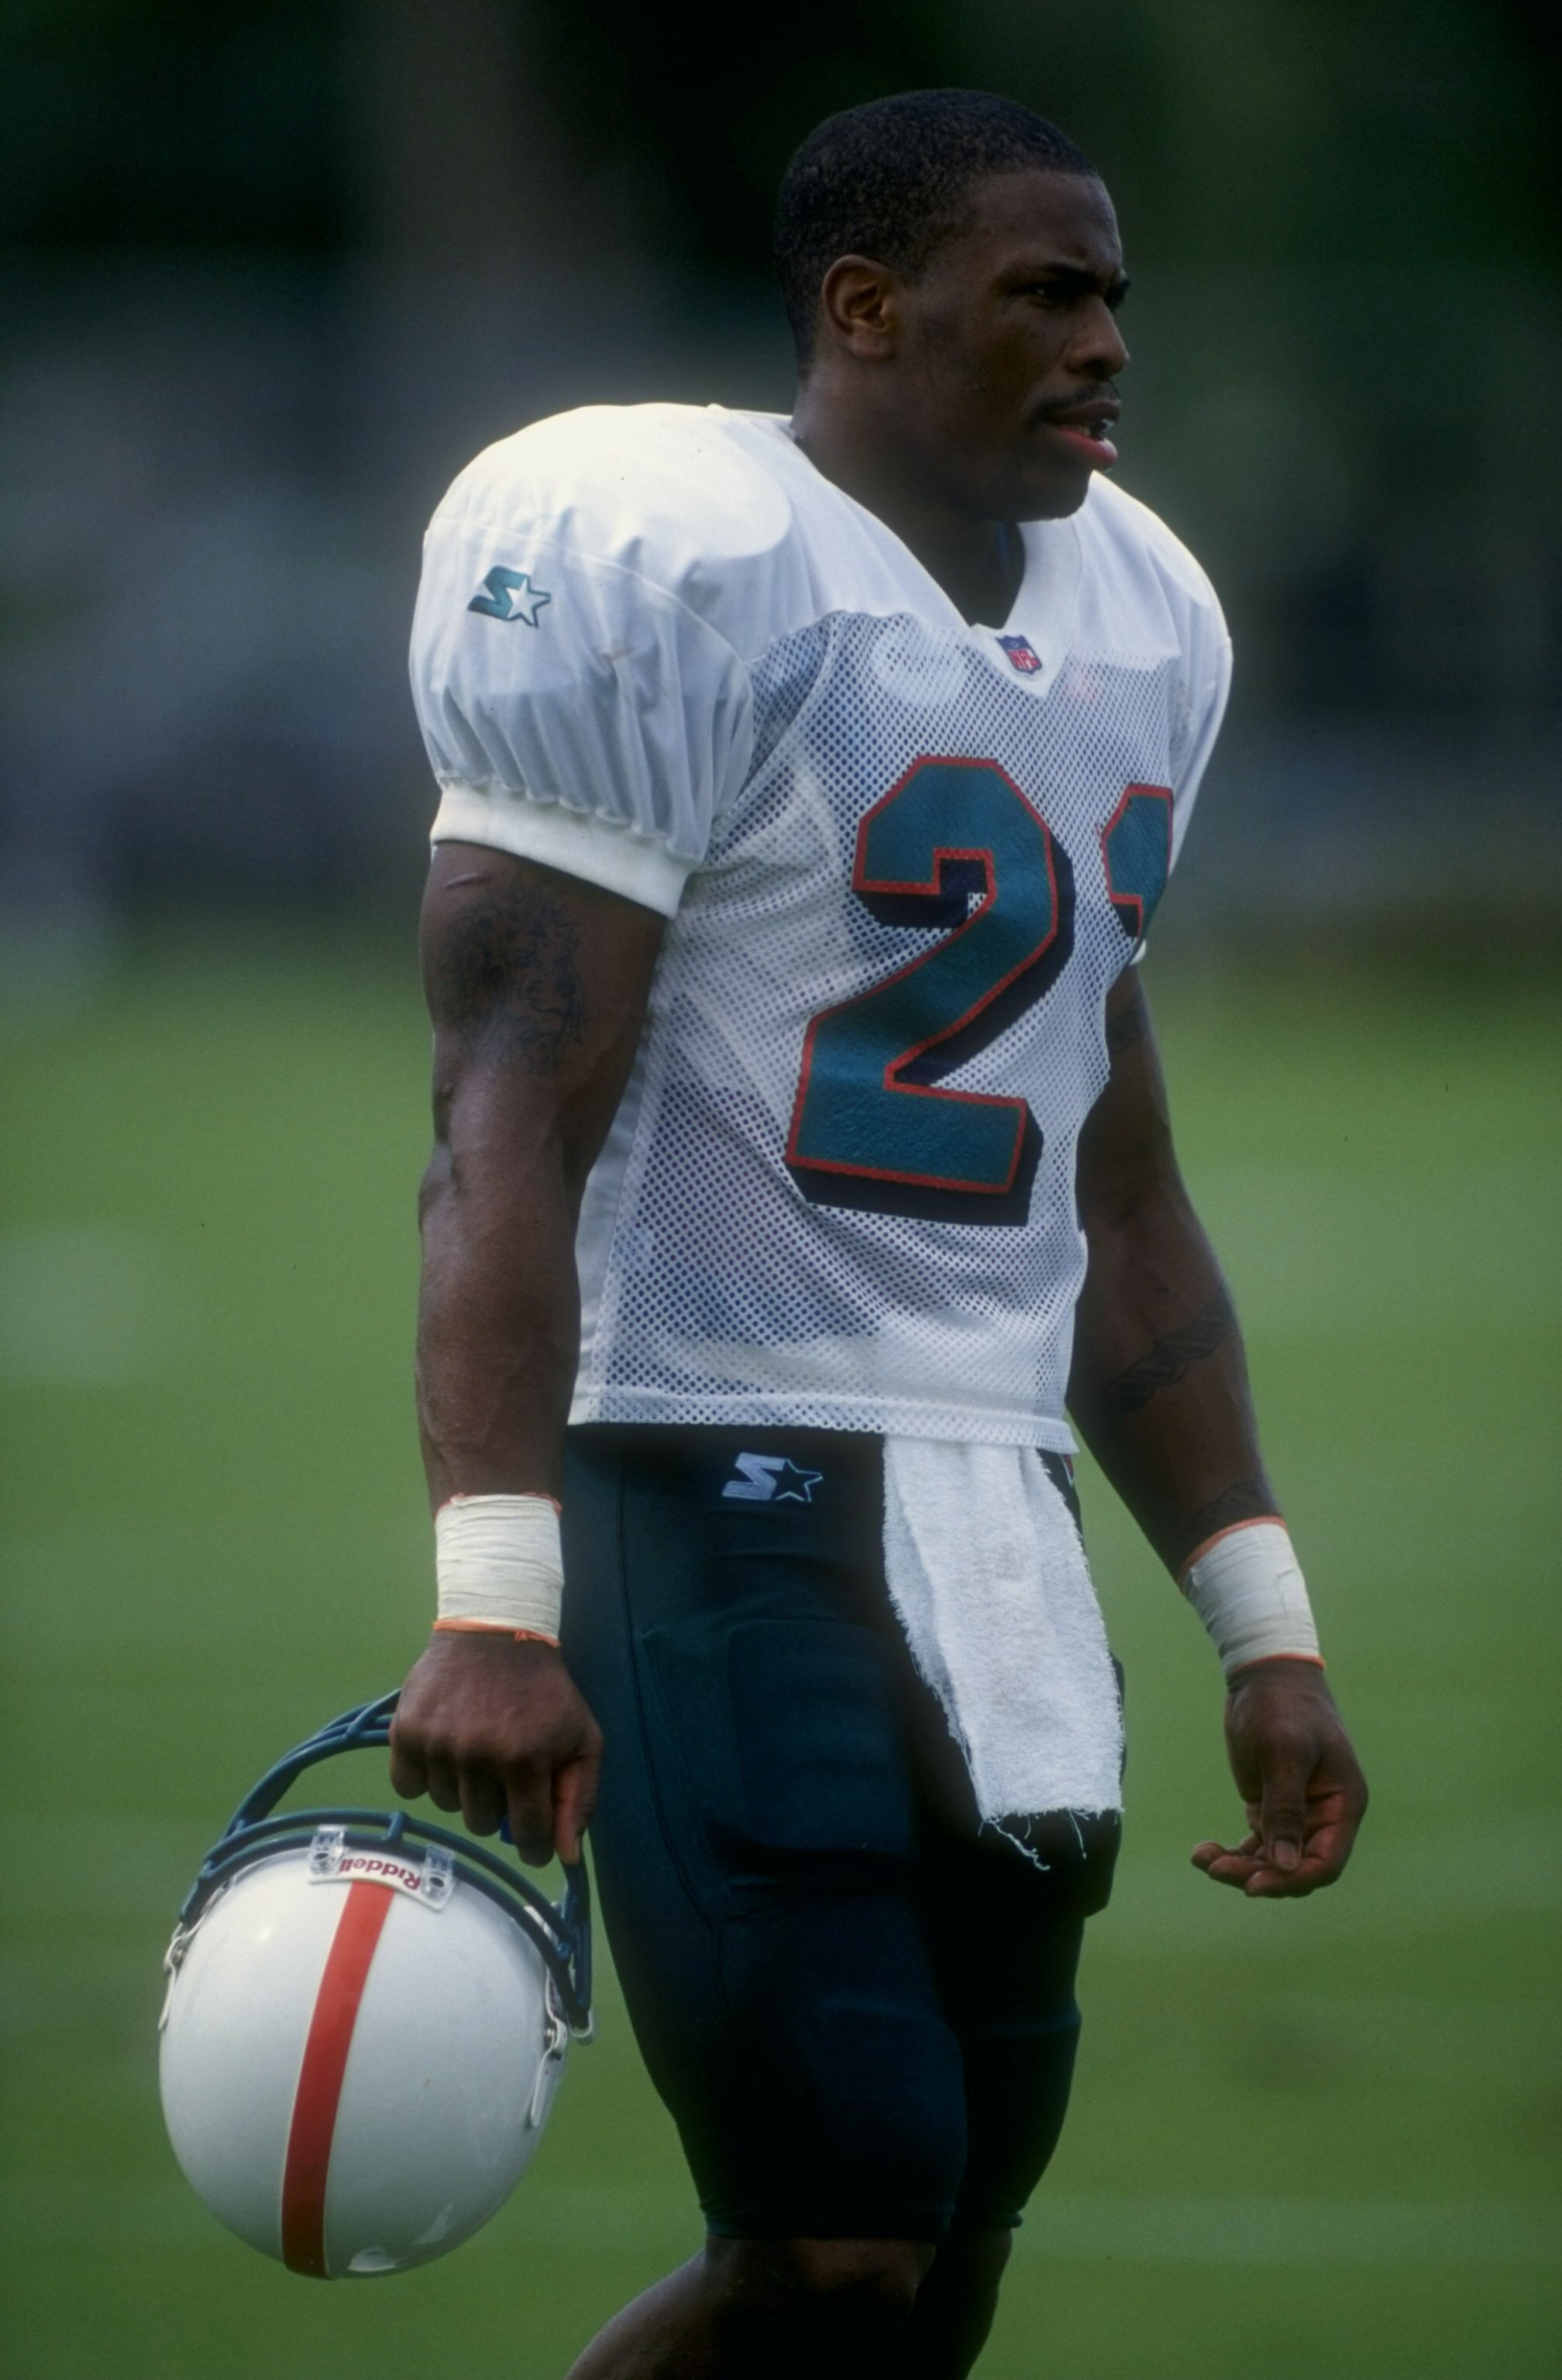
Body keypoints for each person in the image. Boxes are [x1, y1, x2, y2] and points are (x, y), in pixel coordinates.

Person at [390, 88, 1368, 2380]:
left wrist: (1262, 1617)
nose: (1109, 339)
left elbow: (1108, 1167)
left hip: (992, 1512)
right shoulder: (669, 558)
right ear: (864, 307)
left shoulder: (1148, 619)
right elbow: (504, 1115)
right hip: (703, 1473)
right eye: (1048, 290)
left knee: (930, 2290)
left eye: (1116, 290)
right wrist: (492, 1594)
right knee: (825, 2255)